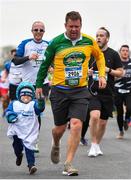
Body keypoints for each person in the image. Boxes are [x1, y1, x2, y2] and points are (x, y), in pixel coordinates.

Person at [35, 11, 106, 176]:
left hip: (80, 90)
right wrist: (39, 84)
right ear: (65, 25)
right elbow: (44, 65)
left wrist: (101, 74)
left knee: (76, 124)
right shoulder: (56, 43)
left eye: (77, 26)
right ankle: (56, 142)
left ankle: (68, 163)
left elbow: (100, 57)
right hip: (60, 91)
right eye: (71, 26)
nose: (74, 29)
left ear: (81, 26)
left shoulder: (89, 41)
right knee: (59, 128)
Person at [12, 21, 49, 152]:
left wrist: (52, 67)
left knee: (36, 111)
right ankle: (25, 138)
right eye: (36, 30)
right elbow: (15, 60)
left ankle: (33, 140)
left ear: (44, 32)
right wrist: (28, 57)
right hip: (27, 85)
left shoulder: (48, 45)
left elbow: (55, 61)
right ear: (32, 31)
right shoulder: (25, 43)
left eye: (41, 30)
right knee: (27, 112)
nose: (38, 32)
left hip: (43, 84)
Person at [87, 27, 123, 157]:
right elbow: (81, 68)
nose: (98, 38)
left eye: (101, 35)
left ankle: (97, 144)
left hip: (108, 92)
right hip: (92, 91)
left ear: (107, 38)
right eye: (97, 35)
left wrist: (108, 70)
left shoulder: (113, 54)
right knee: (95, 116)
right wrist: (87, 71)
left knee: (103, 122)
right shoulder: (90, 53)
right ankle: (92, 144)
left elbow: (121, 72)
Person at [5, 81, 45, 175]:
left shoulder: (33, 104)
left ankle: (31, 165)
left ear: (32, 96)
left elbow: (40, 109)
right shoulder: (14, 104)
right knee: (17, 147)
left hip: (29, 130)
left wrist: (41, 101)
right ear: (19, 95)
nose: (26, 97)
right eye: (23, 95)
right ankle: (19, 155)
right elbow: (8, 112)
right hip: (17, 131)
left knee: (29, 147)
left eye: (29, 95)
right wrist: (11, 117)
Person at [114, 45, 131, 139]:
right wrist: (119, 75)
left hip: (129, 90)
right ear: (120, 52)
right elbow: (112, 76)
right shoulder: (117, 63)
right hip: (118, 90)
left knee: (130, 108)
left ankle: (127, 119)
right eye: (123, 50)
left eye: (126, 51)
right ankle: (121, 131)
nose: (125, 52)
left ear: (128, 52)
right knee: (119, 112)